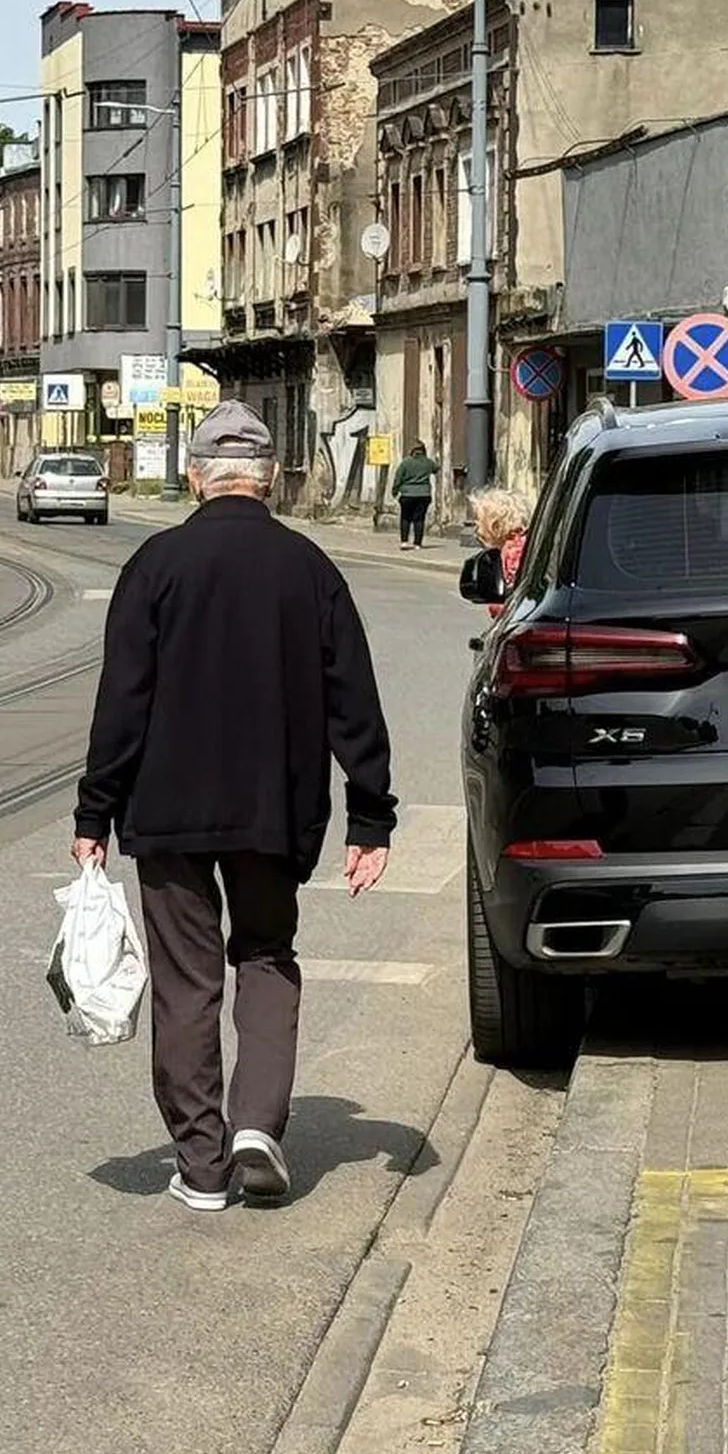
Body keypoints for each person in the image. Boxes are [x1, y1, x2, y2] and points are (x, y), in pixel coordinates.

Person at [74, 403, 399, 1212]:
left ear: (194, 477)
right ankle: (259, 1124)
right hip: (272, 809)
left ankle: (204, 1162)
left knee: (187, 982)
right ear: (271, 479)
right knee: (264, 954)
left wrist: (93, 813)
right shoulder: (309, 567)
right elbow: (352, 699)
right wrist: (370, 816)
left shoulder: (156, 563)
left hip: (168, 809)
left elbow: (123, 699)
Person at [468, 486, 534, 617]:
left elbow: (512, 593)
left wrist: (496, 606)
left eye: (479, 521)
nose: (476, 526)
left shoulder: (513, 551)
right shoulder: (521, 542)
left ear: (496, 525)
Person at [390, 440, 438, 549]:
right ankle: (417, 543)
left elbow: (398, 478)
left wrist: (395, 491)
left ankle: (404, 542)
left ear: (412, 451)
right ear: (423, 450)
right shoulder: (428, 462)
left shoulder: (406, 462)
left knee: (405, 517)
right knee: (419, 519)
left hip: (407, 495)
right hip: (424, 494)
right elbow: (436, 469)